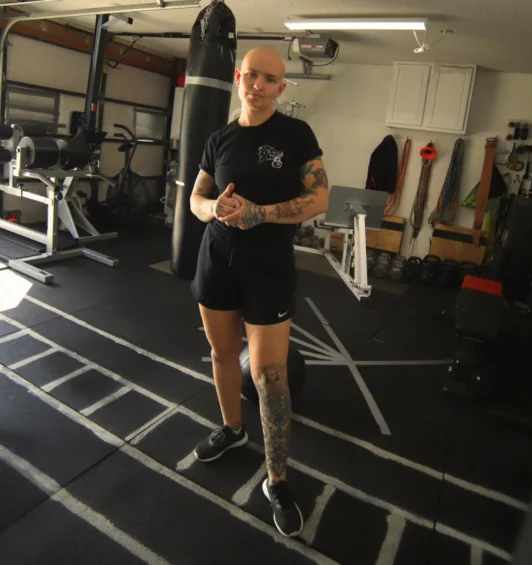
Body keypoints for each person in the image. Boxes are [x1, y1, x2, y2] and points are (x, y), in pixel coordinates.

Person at [189, 45, 329, 538]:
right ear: (238, 77)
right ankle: (231, 430)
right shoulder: (220, 138)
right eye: (251, 75)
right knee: (222, 354)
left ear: (281, 88)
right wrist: (214, 212)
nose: (258, 85)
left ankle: (277, 480)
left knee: (270, 377)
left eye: (269, 79)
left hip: (268, 267)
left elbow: (320, 197)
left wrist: (261, 214)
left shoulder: (295, 135)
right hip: (216, 261)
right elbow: (196, 198)